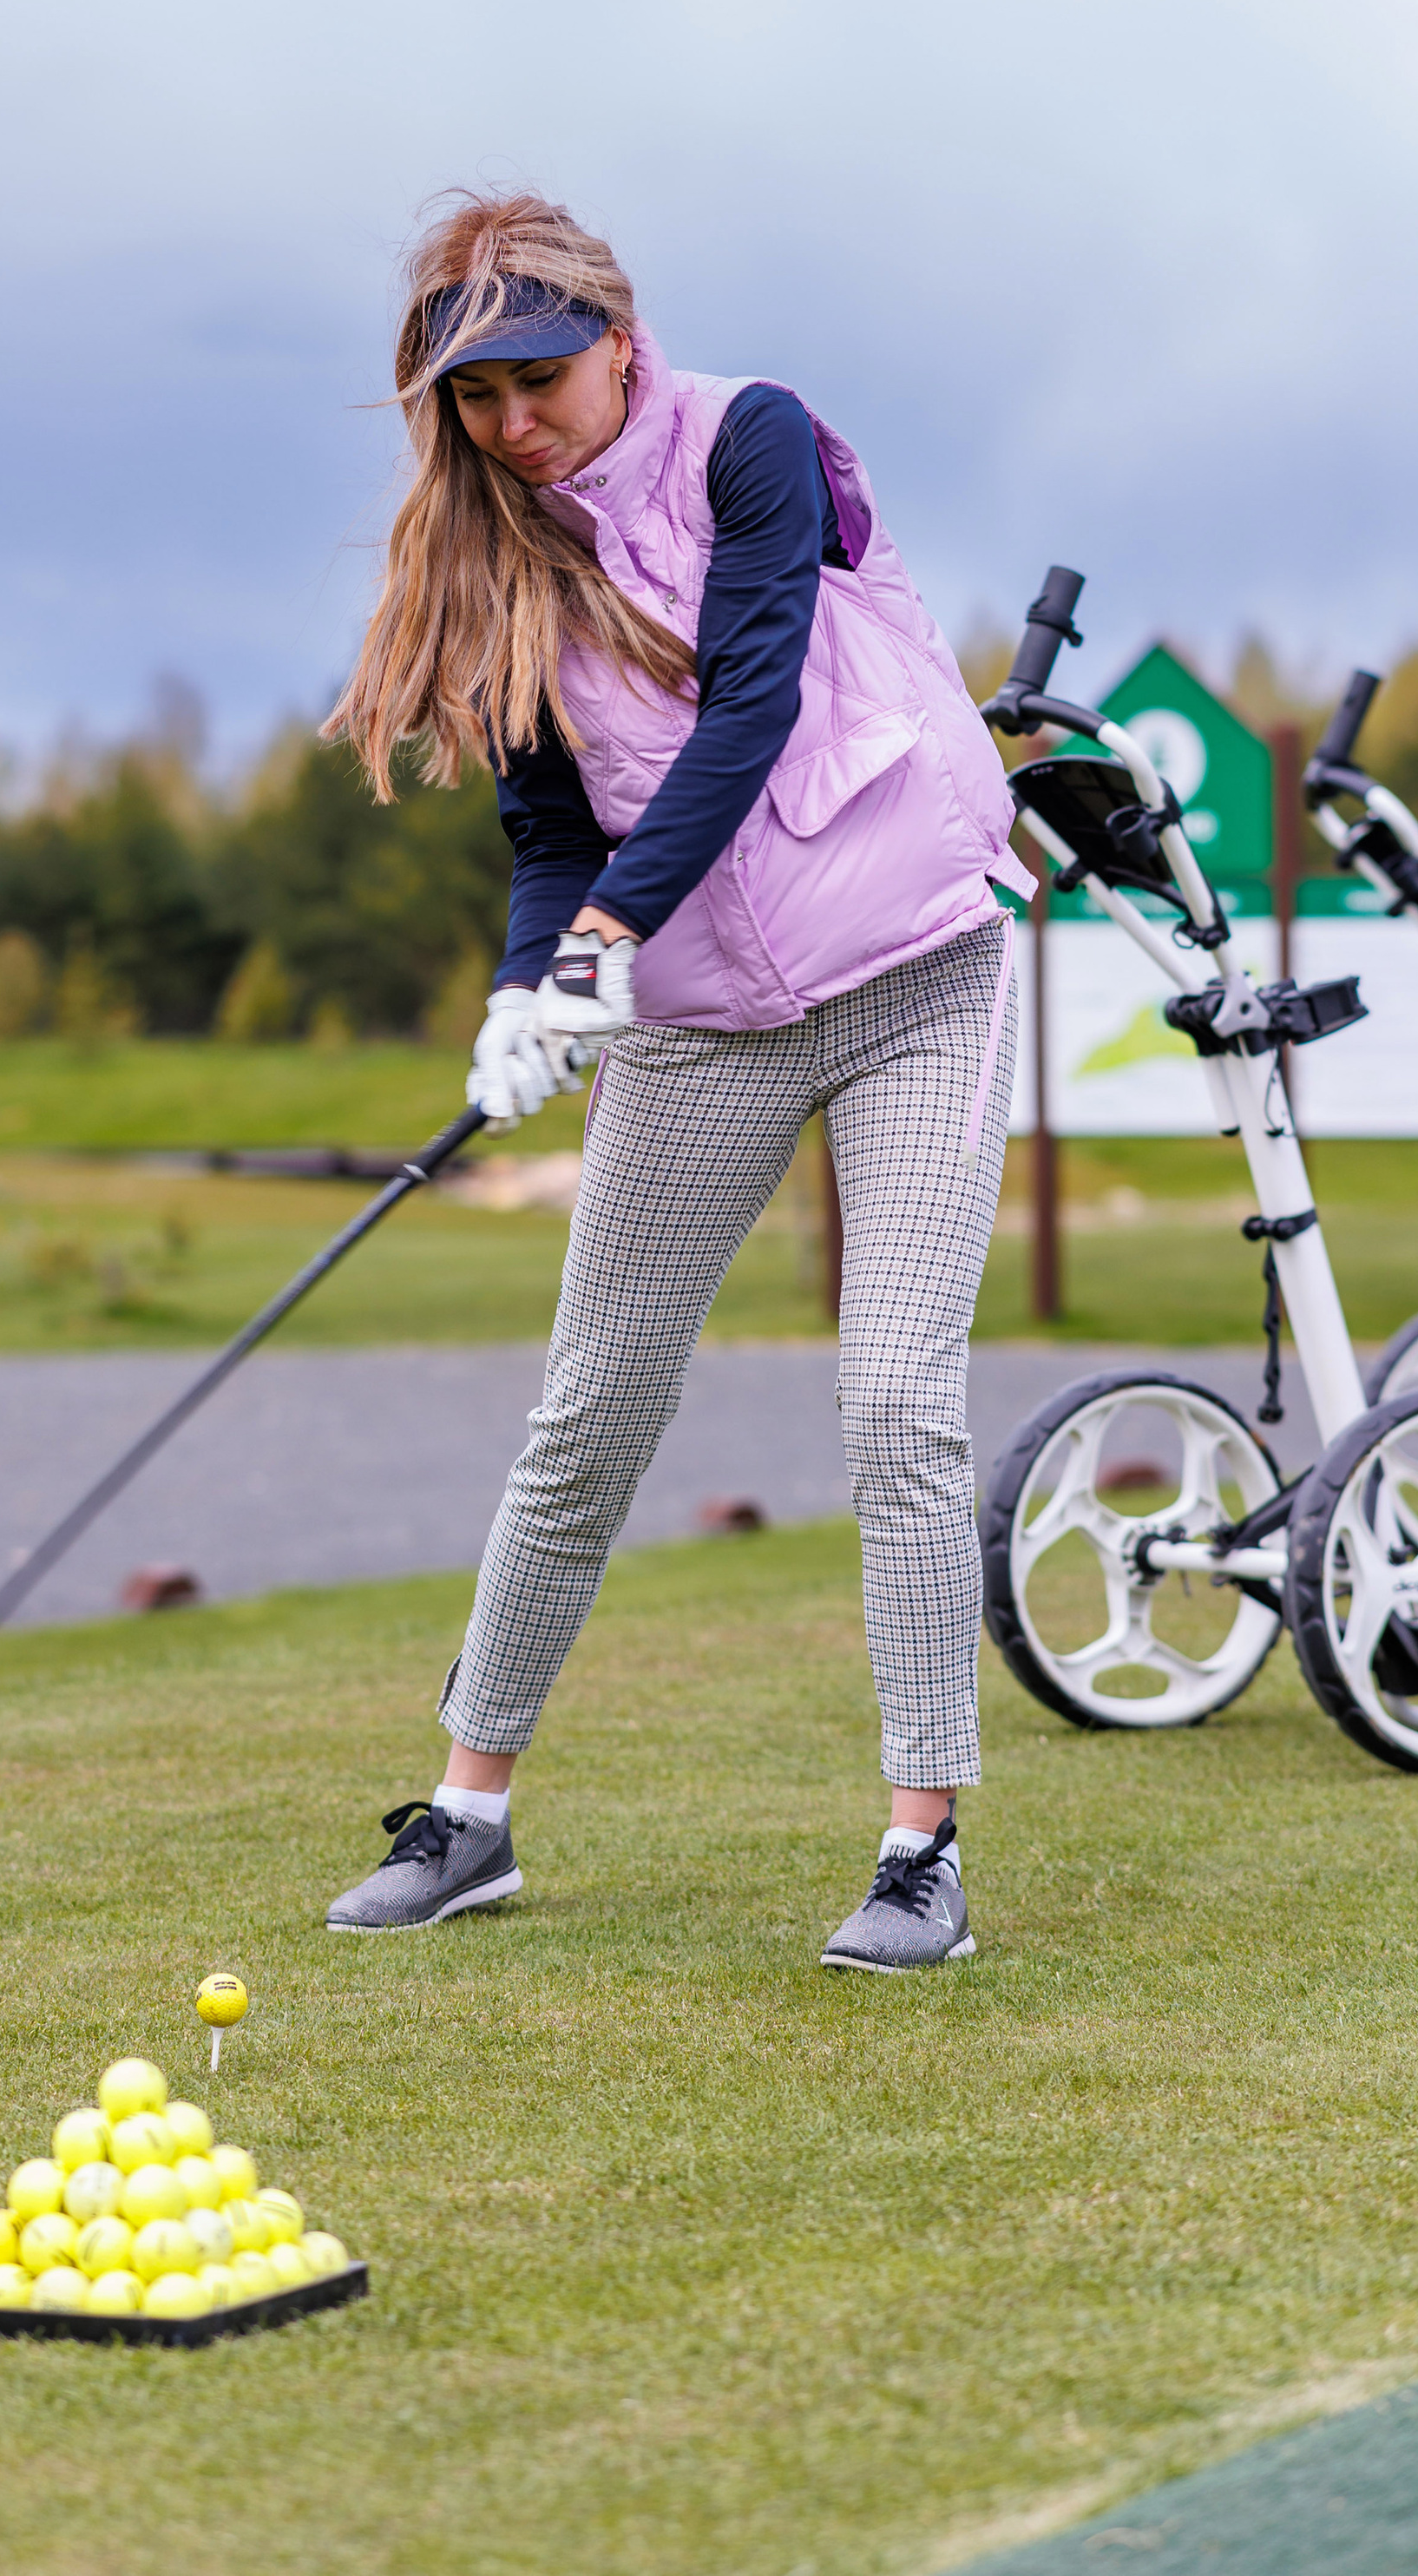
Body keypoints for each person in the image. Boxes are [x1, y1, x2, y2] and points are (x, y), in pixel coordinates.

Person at [320, 193, 1025, 1971]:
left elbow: (751, 703)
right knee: (592, 1400)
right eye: (470, 398)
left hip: (916, 977)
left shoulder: (749, 439)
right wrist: (521, 988)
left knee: (896, 1408)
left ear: (615, 341)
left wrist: (595, 943)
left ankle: (917, 1850)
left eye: (534, 379)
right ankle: (466, 1815)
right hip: (699, 1020)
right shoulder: (489, 556)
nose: (508, 421)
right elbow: (552, 825)